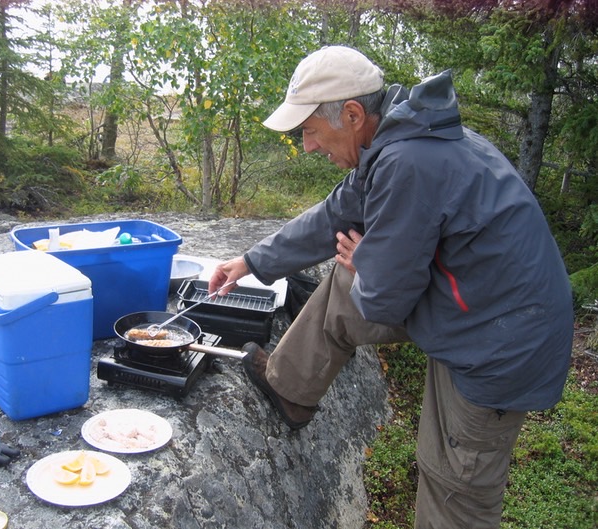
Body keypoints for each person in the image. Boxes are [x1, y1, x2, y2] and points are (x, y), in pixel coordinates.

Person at [208, 46, 574, 528]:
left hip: (498, 344)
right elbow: (336, 213)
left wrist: (369, 265)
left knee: (455, 490)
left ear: (354, 114)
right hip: (472, 313)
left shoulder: (409, 163)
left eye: (311, 131)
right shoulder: (398, 139)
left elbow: (385, 300)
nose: (309, 146)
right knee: (346, 274)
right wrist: (251, 261)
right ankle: (291, 389)